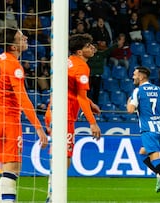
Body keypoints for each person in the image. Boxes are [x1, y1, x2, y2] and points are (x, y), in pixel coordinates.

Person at [0, 27, 48, 202]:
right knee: (12, 170)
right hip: (8, 119)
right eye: (21, 38)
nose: (26, 38)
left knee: (7, 170)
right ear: (13, 46)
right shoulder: (14, 65)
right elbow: (23, 100)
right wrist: (39, 128)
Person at [45, 33, 102, 202]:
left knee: (59, 155)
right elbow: (80, 97)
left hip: (52, 111)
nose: (92, 48)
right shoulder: (82, 67)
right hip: (65, 116)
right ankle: (53, 196)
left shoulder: (67, 61)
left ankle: (52, 194)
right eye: (88, 46)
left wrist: (90, 103)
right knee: (65, 158)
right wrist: (93, 123)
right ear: (79, 51)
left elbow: (72, 90)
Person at [127, 66, 160, 199]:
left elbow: (130, 110)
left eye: (135, 74)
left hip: (148, 129)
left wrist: (129, 101)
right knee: (143, 153)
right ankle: (159, 174)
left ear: (142, 76)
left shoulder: (137, 91)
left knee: (156, 160)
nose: (133, 77)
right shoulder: (158, 89)